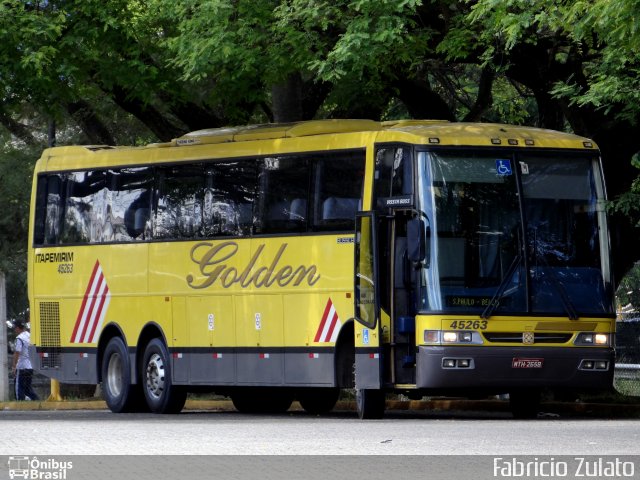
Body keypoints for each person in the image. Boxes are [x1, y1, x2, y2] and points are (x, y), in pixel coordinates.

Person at [12, 318, 40, 401]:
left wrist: (14, 367)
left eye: (14, 328)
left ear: (17, 328)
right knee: (28, 389)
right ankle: (37, 401)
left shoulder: (19, 338)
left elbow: (17, 352)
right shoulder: (29, 335)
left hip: (21, 367)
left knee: (18, 387)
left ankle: (19, 403)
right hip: (30, 367)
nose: (14, 330)